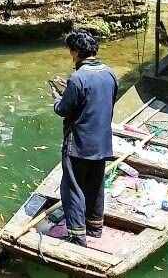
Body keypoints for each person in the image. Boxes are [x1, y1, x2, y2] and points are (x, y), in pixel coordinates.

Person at [50, 30, 118, 247]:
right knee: (95, 185)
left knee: (73, 187)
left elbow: (63, 109)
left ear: (76, 52)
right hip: (102, 142)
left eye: (71, 51)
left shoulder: (78, 78)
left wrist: (56, 99)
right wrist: (69, 89)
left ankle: (77, 235)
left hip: (78, 144)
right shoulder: (110, 74)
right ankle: (95, 227)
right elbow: (100, 103)